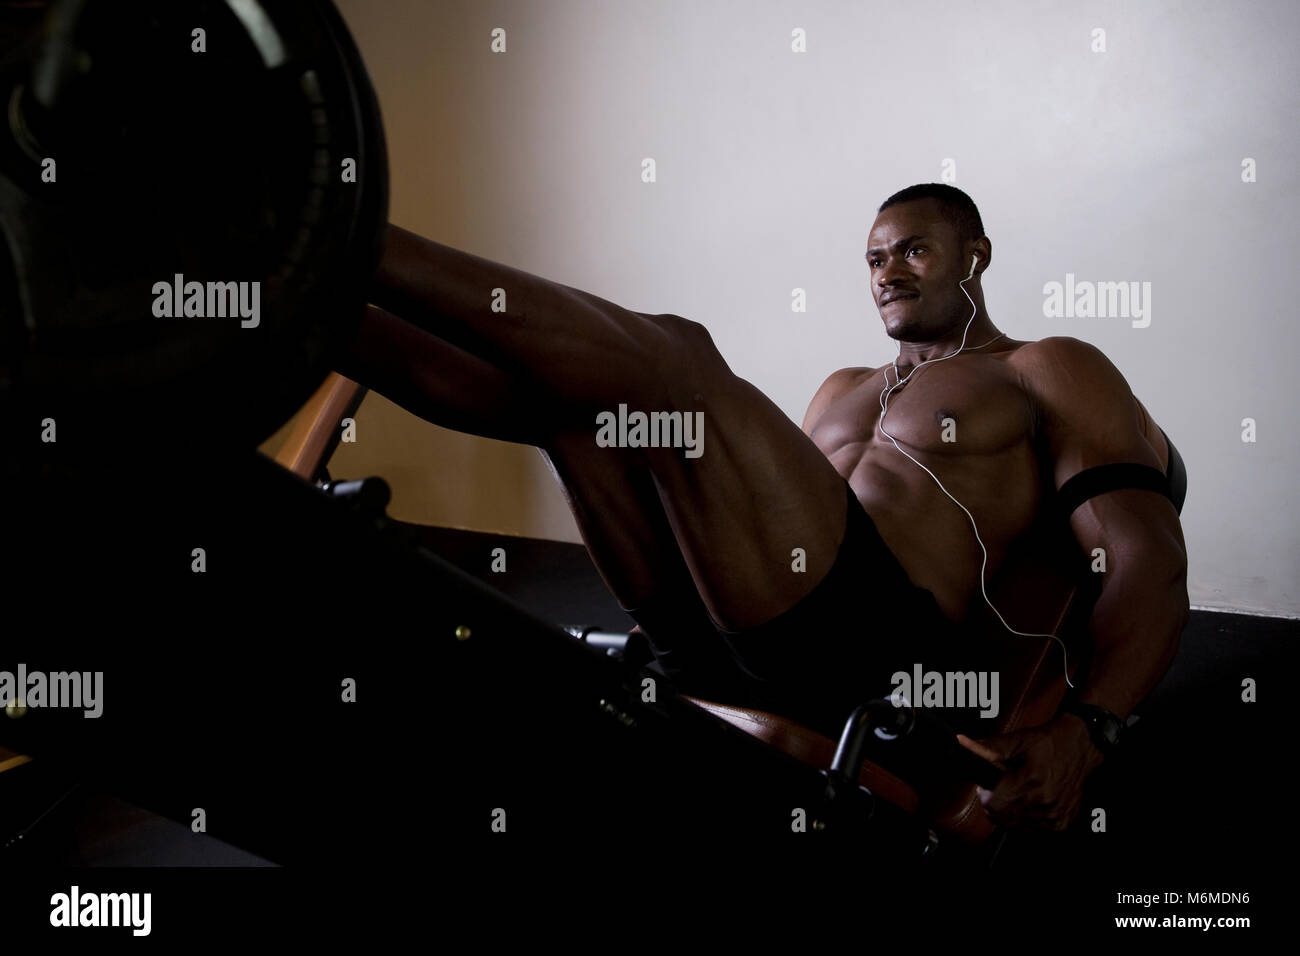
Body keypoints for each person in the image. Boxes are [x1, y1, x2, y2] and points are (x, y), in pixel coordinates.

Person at [335, 183, 1189, 832]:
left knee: (680, 357)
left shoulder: (1043, 368)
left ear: (976, 255)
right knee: (584, 409)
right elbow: (762, 519)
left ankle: (342, 236)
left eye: (915, 251)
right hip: (723, 640)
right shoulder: (842, 391)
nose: (888, 271)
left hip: (877, 673)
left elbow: (1146, 558)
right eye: (875, 259)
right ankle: (304, 306)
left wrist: (1091, 731)